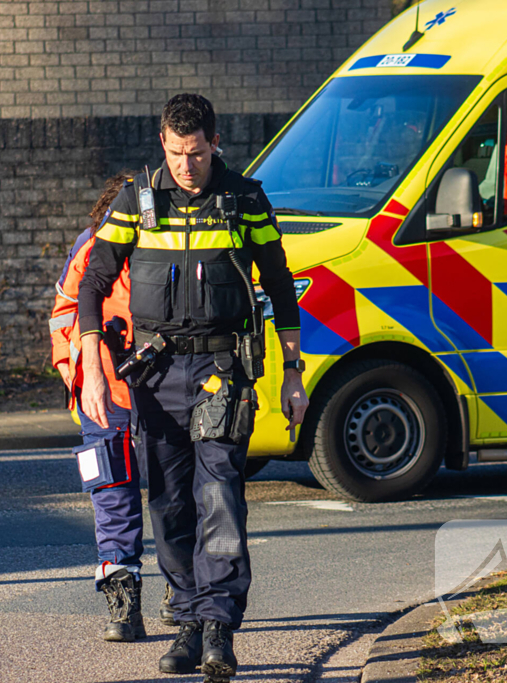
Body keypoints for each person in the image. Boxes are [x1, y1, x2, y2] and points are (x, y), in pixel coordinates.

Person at [77, 94, 309, 682]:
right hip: (155, 377)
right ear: (164, 144)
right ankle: (186, 621)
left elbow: (281, 286)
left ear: (215, 143)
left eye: (197, 153)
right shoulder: (136, 201)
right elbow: (92, 283)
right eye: (177, 153)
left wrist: (293, 375)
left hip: (221, 372)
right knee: (171, 505)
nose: (187, 165)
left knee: (220, 497)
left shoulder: (244, 200)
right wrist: (94, 366)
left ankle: (218, 629)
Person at [50, 170, 179, 642]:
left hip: (168, 391)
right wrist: (81, 376)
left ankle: (179, 588)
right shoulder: (91, 248)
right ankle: (123, 601)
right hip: (105, 395)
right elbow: (65, 315)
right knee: (112, 498)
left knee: (175, 494)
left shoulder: (172, 242)